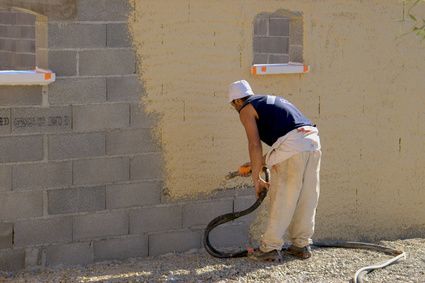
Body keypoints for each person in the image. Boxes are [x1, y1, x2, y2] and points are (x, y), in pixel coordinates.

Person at [228, 80, 321, 262]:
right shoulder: (267, 101)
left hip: (293, 144)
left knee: (283, 196)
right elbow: (288, 144)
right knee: (307, 197)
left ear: (236, 101)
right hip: (312, 141)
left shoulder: (246, 109)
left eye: (233, 105)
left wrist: (257, 179)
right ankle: (301, 245)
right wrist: (257, 165)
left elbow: (254, 144)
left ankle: (270, 248)